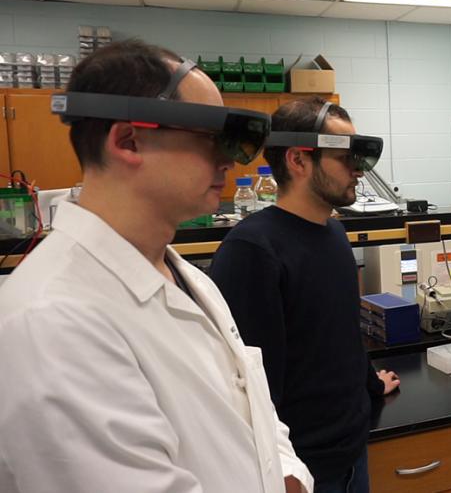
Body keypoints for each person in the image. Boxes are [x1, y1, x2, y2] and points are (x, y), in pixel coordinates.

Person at [0, 40, 313, 493]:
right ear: (129, 140)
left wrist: (291, 476)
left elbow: (255, 413)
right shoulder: (53, 320)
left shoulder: (189, 279)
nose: (228, 159)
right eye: (212, 138)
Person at [209, 97, 400, 493]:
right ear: (298, 160)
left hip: (351, 451)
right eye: (345, 157)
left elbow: (342, 332)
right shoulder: (252, 250)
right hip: (303, 469)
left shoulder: (334, 232)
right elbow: (247, 385)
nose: (358, 171)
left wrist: (370, 385)